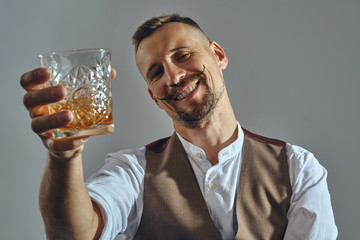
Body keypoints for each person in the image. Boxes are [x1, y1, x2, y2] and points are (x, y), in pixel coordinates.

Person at [21, 13, 337, 240]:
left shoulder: (298, 167)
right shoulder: (133, 170)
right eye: (156, 72)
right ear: (153, 96)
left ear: (218, 55)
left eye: (182, 55)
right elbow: (75, 235)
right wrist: (64, 157)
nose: (173, 77)